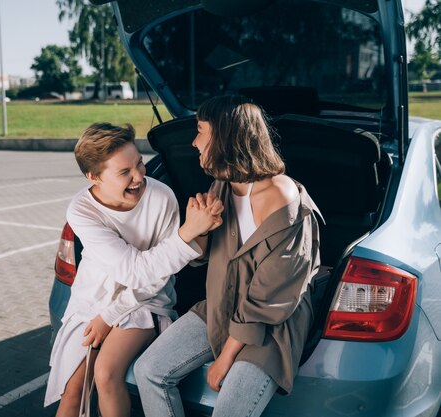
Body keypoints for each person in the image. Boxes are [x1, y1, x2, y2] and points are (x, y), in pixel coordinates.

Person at [134, 96, 323, 417]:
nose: (194, 142)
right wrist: (198, 230)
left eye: (200, 131)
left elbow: (271, 298)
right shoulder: (221, 186)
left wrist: (225, 359)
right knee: (148, 370)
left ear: (226, 136)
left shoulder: (283, 197)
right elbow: (204, 258)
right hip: (219, 305)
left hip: (271, 326)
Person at [44, 122, 223, 417]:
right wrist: (188, 231)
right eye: (124, 172)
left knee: (105, 373)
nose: (139, 176)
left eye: (139, 163)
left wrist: (109, 317)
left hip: (145, 301)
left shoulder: (161, 197)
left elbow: (155, 277)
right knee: (72, 391)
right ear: (94, 177)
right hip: (94, 302)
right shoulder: (82, 209)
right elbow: (134, 270)